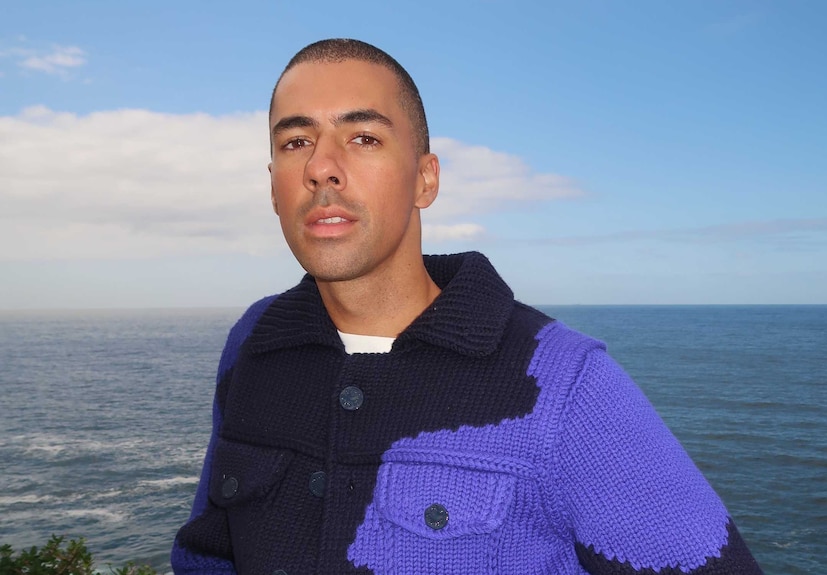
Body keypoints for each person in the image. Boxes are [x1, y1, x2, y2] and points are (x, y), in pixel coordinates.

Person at [172, 38, 763, 575]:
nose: (321, 166)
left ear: (425, 180)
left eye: (364, 138)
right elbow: (207, 552)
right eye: (296, 141)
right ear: (272, 181)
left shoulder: (563, 382)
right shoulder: (255, 341)